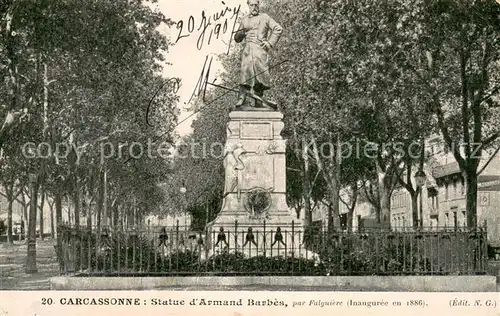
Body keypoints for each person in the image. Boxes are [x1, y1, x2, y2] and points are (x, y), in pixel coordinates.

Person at [234, 0, 282, 108]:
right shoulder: (244, 20)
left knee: (260, 76)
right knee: (246, 73)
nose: (254, 7)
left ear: (258, 5)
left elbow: (278, 29)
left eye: (256, 5)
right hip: (248, 50)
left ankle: (258, 101)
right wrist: (240, 34)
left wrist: (269, 43)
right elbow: (237, 38)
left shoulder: (265, 17)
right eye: (252, 5)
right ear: (248, 6)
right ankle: (242, 98)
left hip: (260, 51)